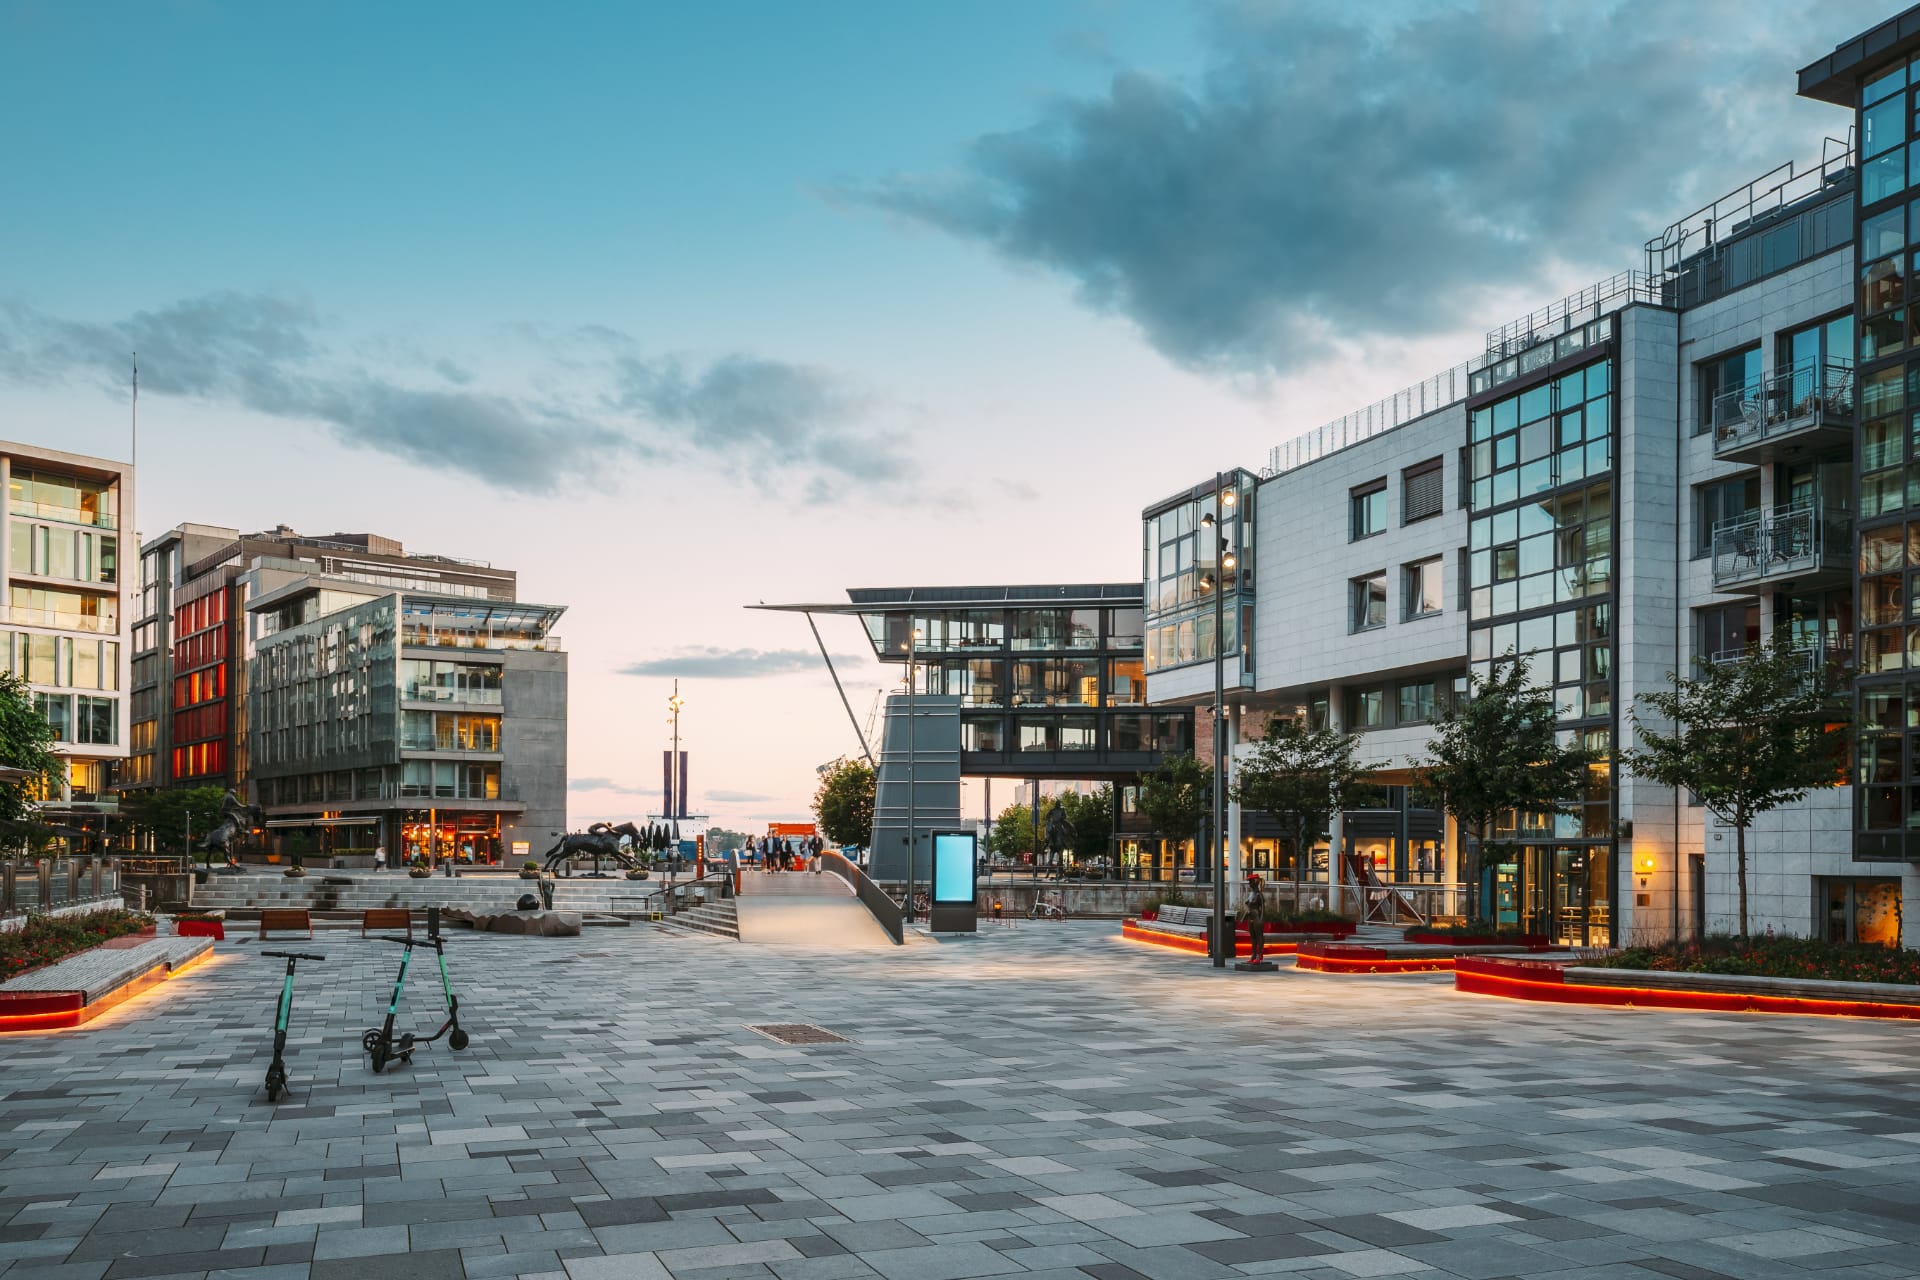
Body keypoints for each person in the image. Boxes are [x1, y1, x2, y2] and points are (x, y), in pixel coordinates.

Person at [1240, 874, 1267, 965]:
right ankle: (1253, 954)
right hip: (1250, 916)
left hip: (1257, 916)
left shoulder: (1259, 894)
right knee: (1253, 937)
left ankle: (1259, 954)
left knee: (1259, 936)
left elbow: (1263, 908)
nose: (1249, 884)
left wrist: (1261, 918)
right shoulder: (1251, 893)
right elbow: (1247, 904)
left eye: (1251, 882)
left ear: (1255, 882)